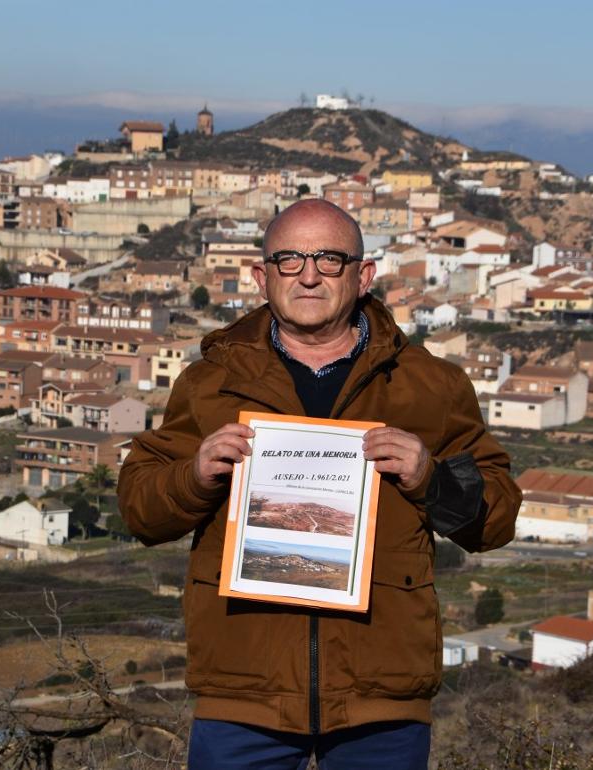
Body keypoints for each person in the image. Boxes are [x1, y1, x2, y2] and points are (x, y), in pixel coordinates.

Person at [118, 199, 521, 769]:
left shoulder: (433, 386)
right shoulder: (209, 384)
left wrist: (432, 478)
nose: (308, 275)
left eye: (330, 259)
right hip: (242, 691)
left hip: (381, 695)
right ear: (262, 277)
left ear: (363, 276)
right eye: (289, 260)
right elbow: (139, 509)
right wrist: (194, 476)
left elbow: (498, 519)